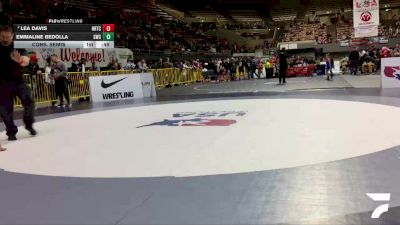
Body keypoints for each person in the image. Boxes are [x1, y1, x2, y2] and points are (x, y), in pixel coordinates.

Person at [0, 25, 37, 141]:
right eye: (2, 37)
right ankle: (11, 131)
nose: (5, 39)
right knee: (5, 109)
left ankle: (29, 124)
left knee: (29, 100)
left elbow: (26, 60)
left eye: (7, 37)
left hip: (18, 81)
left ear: (12, 36)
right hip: (3, 83)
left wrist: (20, 60)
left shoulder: (18, 46)